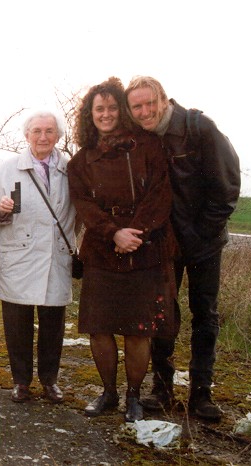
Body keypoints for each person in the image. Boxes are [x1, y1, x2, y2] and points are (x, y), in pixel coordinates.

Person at [125, 76, 241, 421]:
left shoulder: (198, 127)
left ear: (163, 100)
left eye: (149, 103)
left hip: (205, 241)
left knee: (205, 314)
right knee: (163, 313)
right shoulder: (141, 138)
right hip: (164, 244)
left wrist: (201, 233)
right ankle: (162, 388)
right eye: (137, 106)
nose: (145, 111)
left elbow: (227, 187)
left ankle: (201, 394)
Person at [68, 77, 178, 422]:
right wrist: (113, 233)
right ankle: (109, 394)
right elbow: (84, 205)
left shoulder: (149, 146)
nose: (106, 114)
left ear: (123, 110)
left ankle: (133, 396)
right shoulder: (81, 161)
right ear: (90, 114)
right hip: (101, 250)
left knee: (138, 328)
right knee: (100, 327)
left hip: (146, 250)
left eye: (112, 107)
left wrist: (137, 233)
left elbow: (161, 195)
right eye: (99, 109)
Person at [0, 110, 74, 404]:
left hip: (54, 257)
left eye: (49, 131)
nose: (43, 137)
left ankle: (49, 381)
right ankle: (21, 382)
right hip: (20, 257)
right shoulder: (8, 169)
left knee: (52, 325)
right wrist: (0, 210)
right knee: (17, 324)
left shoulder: (71, 169)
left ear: (58, 136)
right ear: (26, 135)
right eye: (37, 131)